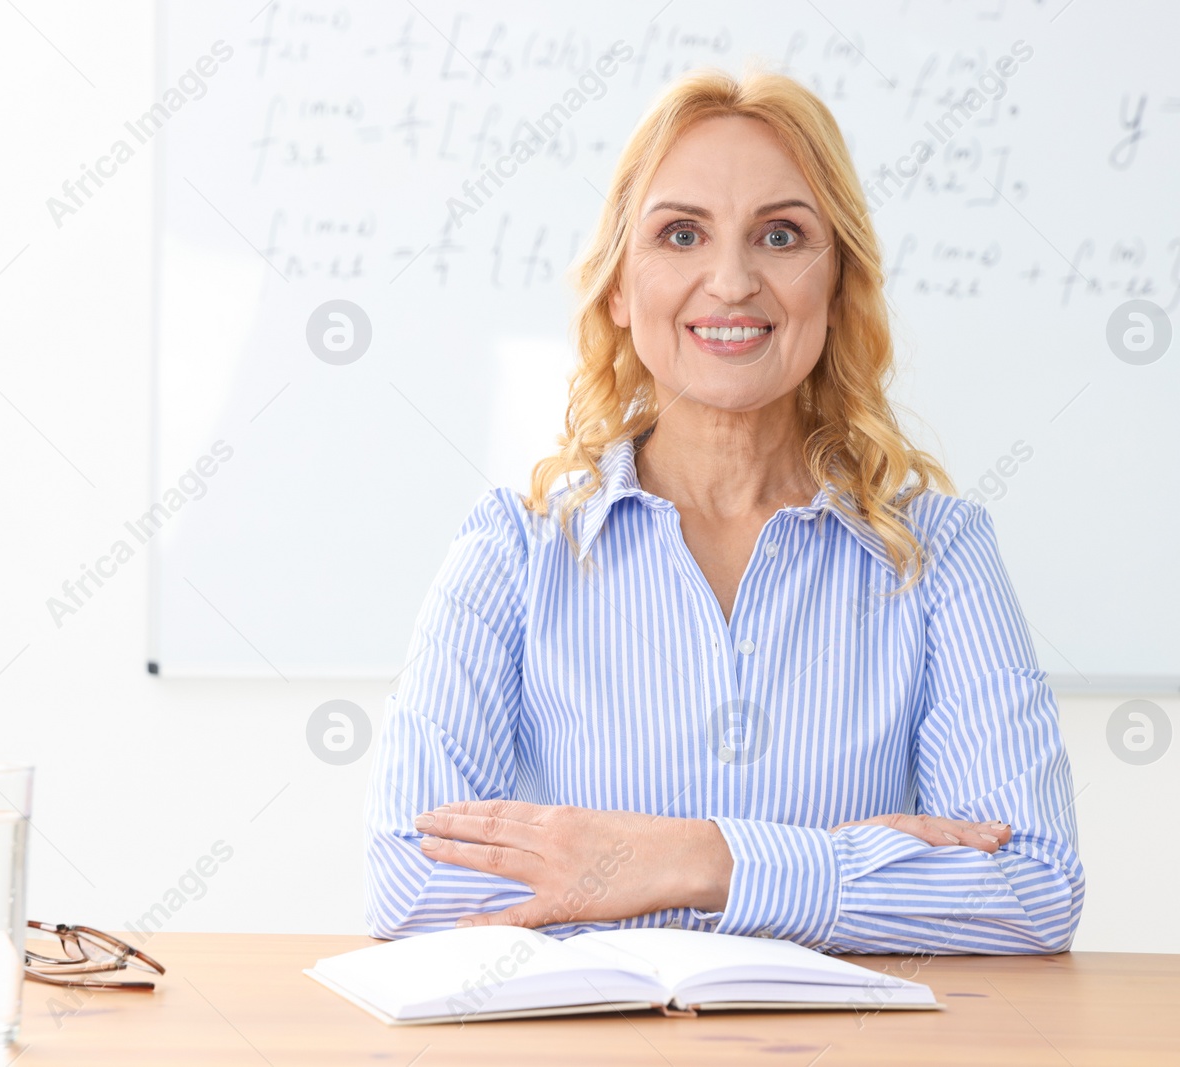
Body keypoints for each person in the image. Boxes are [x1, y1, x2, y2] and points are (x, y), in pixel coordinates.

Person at [363, 66, 1084, 954]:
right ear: (621, 289)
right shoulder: (515, 549)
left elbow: (1032, 889)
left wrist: (692, 857)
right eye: (680, 234)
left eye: (781, 235)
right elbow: (411, 883)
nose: (733, 280)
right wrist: (848, 865)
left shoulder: (937, 553)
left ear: (838, 284)